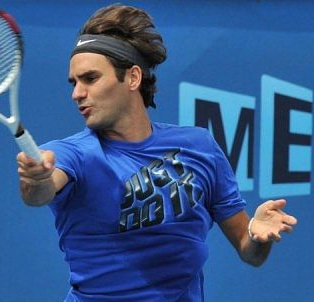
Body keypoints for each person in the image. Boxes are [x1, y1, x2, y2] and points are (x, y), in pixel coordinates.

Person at [16, 4, 297, 302]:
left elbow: (249, 251)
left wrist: (257, 235)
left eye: (90, 78)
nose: (77, 93)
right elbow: (41, 191)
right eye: (74, 83)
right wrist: (35, 179)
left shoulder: (199, 146)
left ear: (133, 78)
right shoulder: (73, 154)